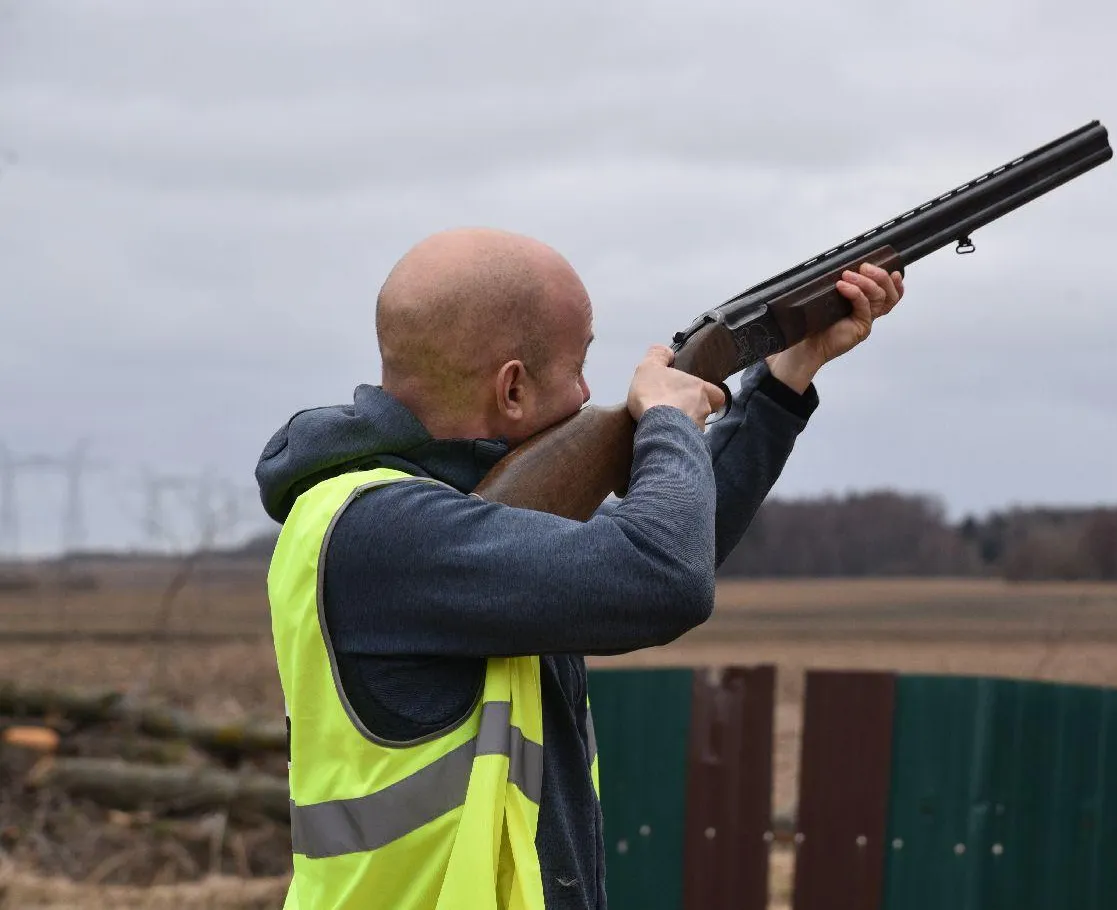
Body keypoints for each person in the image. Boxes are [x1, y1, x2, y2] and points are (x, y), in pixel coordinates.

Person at [253, 226, 904, 909]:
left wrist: (783, 378)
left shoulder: (444, 528)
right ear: (512, 390)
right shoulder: (383, 531)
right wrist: (668, 423)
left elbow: (672, 553)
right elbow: (661, 578)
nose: (593, 390)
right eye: (578, 367)